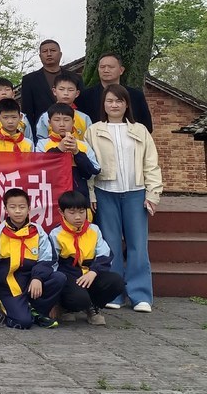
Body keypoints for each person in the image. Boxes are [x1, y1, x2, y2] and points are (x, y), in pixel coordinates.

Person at [84, 84, 163, 312]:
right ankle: (114, 293)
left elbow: (151, 164)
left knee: (138, 244)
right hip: (105, 192)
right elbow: (89, 164)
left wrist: (153, 193)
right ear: (104, 105)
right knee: (110, 245)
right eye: (109, 101)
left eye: (119, 101)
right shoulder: (94, 130)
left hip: (135, 192)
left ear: (126, 104)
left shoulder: (140, 131)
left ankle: (141, 295)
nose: (114, 105)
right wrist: (90, 192)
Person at [0, 187, 64, 329]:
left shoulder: (37, 231)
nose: (17, 211)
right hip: (9, 285)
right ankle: (14, 310)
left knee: (59, 278)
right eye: (13, 207)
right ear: (5, 209)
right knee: (23, 323)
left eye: (22, 207)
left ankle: (37, 311)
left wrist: (38, 277)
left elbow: (48, 259)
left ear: (29, 209)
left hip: (32, 281)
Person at [49, 190, 126, 326]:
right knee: (78, 298)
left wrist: (93, 271)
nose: (78, 217)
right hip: (69, 275)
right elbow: (52, 263)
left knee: (116, 282)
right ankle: (67, 307)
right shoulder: (56, 234)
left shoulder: (94, 230)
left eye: (82, 212)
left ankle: (93, 307)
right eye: (72, 213)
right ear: (62, 213)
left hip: (91, 272)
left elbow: (105, 254)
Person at [39, 103, 100, 204]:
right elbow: (40, 169)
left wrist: (77, 153)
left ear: (73, 122)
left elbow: (92, 173)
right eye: (57, 120)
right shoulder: (42, 144)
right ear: (49, 122)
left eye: (66, 120)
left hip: (79, 199)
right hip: (51, 199)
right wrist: (59, 149)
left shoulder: (83, 145)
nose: (62, 124)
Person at [78, 52, 153, 131]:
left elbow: (147, 127)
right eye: (102, 67)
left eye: (111, 67)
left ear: (121, 70)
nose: (106, 70)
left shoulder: (136, 95)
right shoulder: (85, 96)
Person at [19, 39, 69, 131]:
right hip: (41, 131)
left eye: (53, 51)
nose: (49, 54)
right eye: (45, 51)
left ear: (60, 54)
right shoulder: (29, 80)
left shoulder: (73, 77)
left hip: (71, 130)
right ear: (40, 56)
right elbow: (27, 111)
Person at [35, 71, 91, 141]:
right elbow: (41, 141)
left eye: (70, 90)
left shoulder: (84, 118)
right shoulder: (45, 117)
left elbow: (88, 143)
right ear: (54, 91)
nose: (66, 93)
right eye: (61, 89)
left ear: (77, 93)